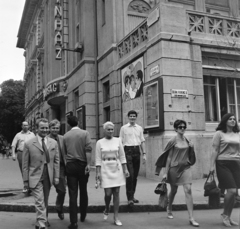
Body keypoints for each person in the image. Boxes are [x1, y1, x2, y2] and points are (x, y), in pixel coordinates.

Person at [155, 119, 199, 227]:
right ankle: (169, 207)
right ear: (175, 129)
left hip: (186, 168)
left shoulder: (188, 140)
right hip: (174, 169)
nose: (182, 129)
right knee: (173, 190)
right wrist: (165, 173)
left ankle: (191, 218)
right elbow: (168, 158)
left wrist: (192, 148)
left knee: (188, 190)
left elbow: (191, 155)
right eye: (180, 127)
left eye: (184, 127)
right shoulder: (172, 141)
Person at [22, 118, 60, 229]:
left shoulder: (53, 143)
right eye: (42, 127)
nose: (45, 130)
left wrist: (56, 176)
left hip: (48, 175)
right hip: (35, 175)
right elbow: (25, 164)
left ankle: (40, 222)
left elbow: (56, 161)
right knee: (39, 200)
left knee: (45, 200)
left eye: (46, 127)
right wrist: (25, 180)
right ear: (37, 128)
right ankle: (43, 223)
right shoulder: (29, 143)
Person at [95, 122, 129, 226]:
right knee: (108, 194)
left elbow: (122, 156)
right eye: (108, 129)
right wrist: (98, 173)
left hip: (116, 167)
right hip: (105, 169)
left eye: (112, 129)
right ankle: (106, 207)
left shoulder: (118, 140)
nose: (110, 131)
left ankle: (116, 217)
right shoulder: (99, 142)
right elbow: (98, 159)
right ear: (104, 130)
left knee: (117, 192)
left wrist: (125, 169)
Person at [209, 113, 240, 227]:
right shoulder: (219, 133)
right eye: (230, 119)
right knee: (231, 190)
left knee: (234, 193)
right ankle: (224, 215)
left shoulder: (238, 133)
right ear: (225, 121)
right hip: (222, 163)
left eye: (234, 119)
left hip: (236, 163)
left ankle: (229, 216)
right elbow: (215, 149)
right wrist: (211, 167)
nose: (233, 120)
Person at [63, 116, 92, 229]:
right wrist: (88, 164)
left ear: (69, 124)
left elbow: (65, 152)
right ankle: (83, 215)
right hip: (82, 164)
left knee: (72, 193)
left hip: (70, 165)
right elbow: (88, 150)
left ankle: (73, 222)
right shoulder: (85, 133)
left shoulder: (65, 136)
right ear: (78, 122)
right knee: (83, 190)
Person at [119, 110, 146, 206]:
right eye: (131, 116)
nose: (132, 118)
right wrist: (121, 156)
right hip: (127, 151)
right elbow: (120, 141)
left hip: (136, 151)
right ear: (128, 117)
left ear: (136, 117)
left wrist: (144, 154)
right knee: (130, 175)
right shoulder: (123, 128)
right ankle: (129, 198)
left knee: (135, 176)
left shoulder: (139, 128)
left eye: (134, 116)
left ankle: (132, 195)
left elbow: (142, 141)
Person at [48, 119, 66, 220]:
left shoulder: (62, 138)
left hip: (61, 168)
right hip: (49, 168)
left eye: (57, 128)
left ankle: (59, 207)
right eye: (53, 128)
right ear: (50, 128)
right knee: (45, 193)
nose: (55, 130)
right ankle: (44, 218)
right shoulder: (46, 139)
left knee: (62, 191)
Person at [11, 121, 35, 192]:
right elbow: (13, 145)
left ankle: (31, 185)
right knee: (23, 169)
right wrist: (13, 154)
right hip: (21, 153)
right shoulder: (18, 135)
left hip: (31, 153)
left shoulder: (32, 134)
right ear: (22, 126)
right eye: (24, 125)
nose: (25, 127)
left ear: (29, 126)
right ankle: (25, 185)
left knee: (31, 169)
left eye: (27, 125)